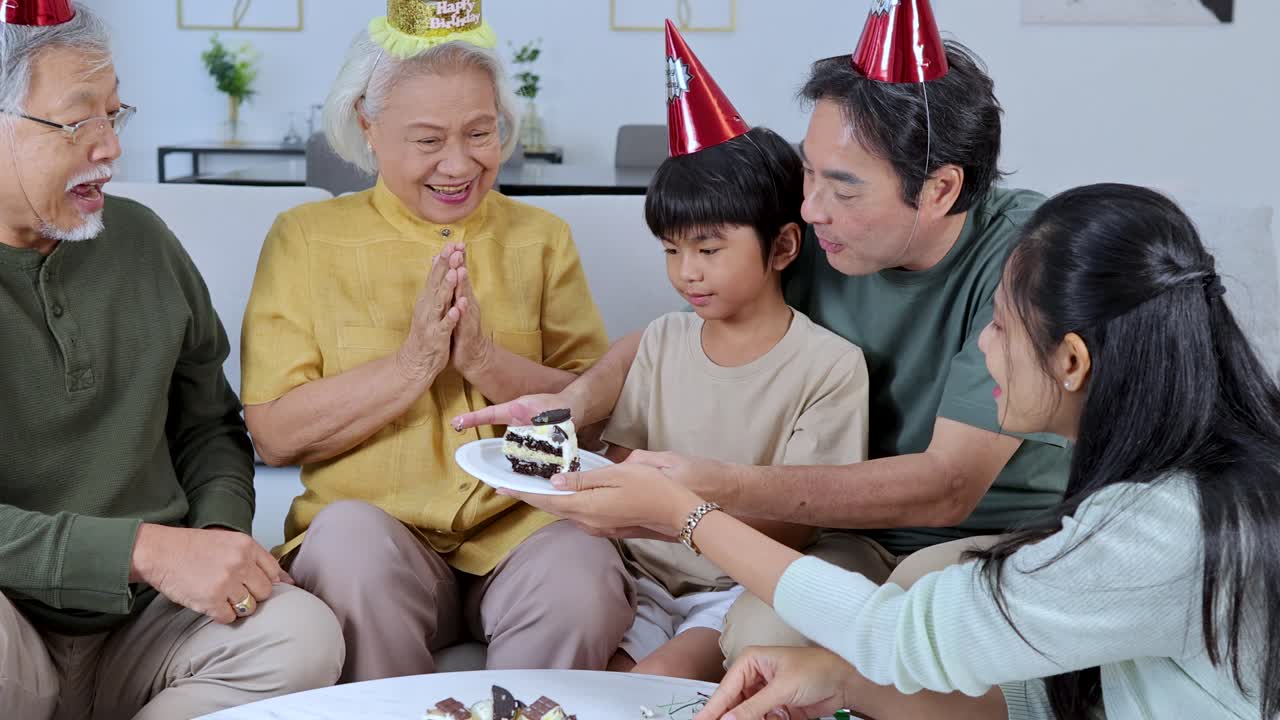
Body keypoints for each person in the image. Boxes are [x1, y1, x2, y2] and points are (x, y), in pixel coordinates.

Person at [454, 4, 1072, 664]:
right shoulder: (810, 238)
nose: (809, 208)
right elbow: (664, 340)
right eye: (808, 172)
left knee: (907, 626)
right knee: (760, 634)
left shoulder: (1028, 258)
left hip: (980, 532)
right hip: (841, 533)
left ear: (941, 189)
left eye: (842, 188)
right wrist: (570, 408)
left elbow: (948, 486)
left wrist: (700, 490)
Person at [521, 185, 1279, 720]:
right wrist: (842, 682)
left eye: (1002, 328)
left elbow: (902, 633)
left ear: (1073, 362)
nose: (980, 346)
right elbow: (1056, 688)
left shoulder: (1158, 531)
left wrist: (688, 514)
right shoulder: (1173, 484)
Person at [239, 1, 633, 682]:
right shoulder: (304, 238)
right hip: (377, 537)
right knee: (348, 546)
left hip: (523, 527)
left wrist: (484, 360)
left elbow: (596, 421)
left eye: (481, 133)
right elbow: (273, 433)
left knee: (584, 568)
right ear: (368, 125)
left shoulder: (541, 238)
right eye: (428, 140)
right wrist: (412, 365)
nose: (460, 164)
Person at [0, 4, 344, 718]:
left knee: (303, 637)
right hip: (13, 629)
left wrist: (218, 537)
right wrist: (142, 550)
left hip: (152, 625)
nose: (109, 148)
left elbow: (209, 425)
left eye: (114, 115)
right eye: (77, 121)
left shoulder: (145, 242)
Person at [601, 23, 869, 683]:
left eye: (709, 249)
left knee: (644, 690)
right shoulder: (662, 342)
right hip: (632, 575)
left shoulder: (829, 367)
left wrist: (678, 518)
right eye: (671, 250)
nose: (687, 272)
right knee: (577, 682)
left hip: (729, 590)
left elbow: (797, 523)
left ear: (781, 248)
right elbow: (620, 456)